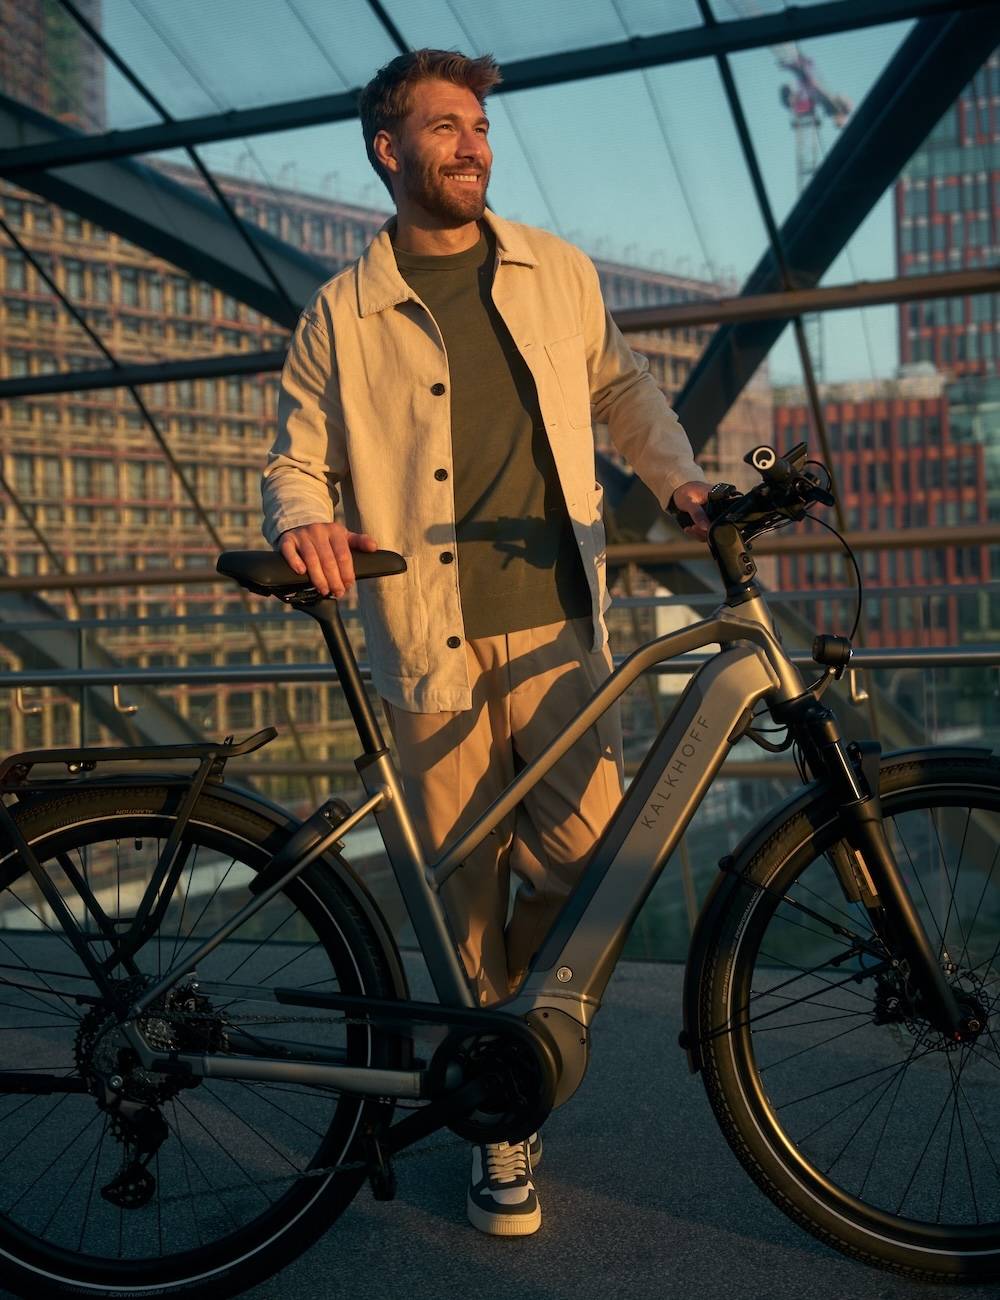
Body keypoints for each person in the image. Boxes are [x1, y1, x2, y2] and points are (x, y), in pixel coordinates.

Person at [261, 47, 710, 1239]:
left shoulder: (552, 272)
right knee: (459, 892)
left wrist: (684, 488)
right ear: (388, 149)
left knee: (590, 866)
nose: (473, 145)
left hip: (559, 629)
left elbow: (623, 394)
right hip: (426, 639)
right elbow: (294, 456)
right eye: (445, 127)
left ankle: (495, 1031)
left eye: (478, 128)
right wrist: (304, 515)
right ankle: (497, 1125)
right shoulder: (341, 313)